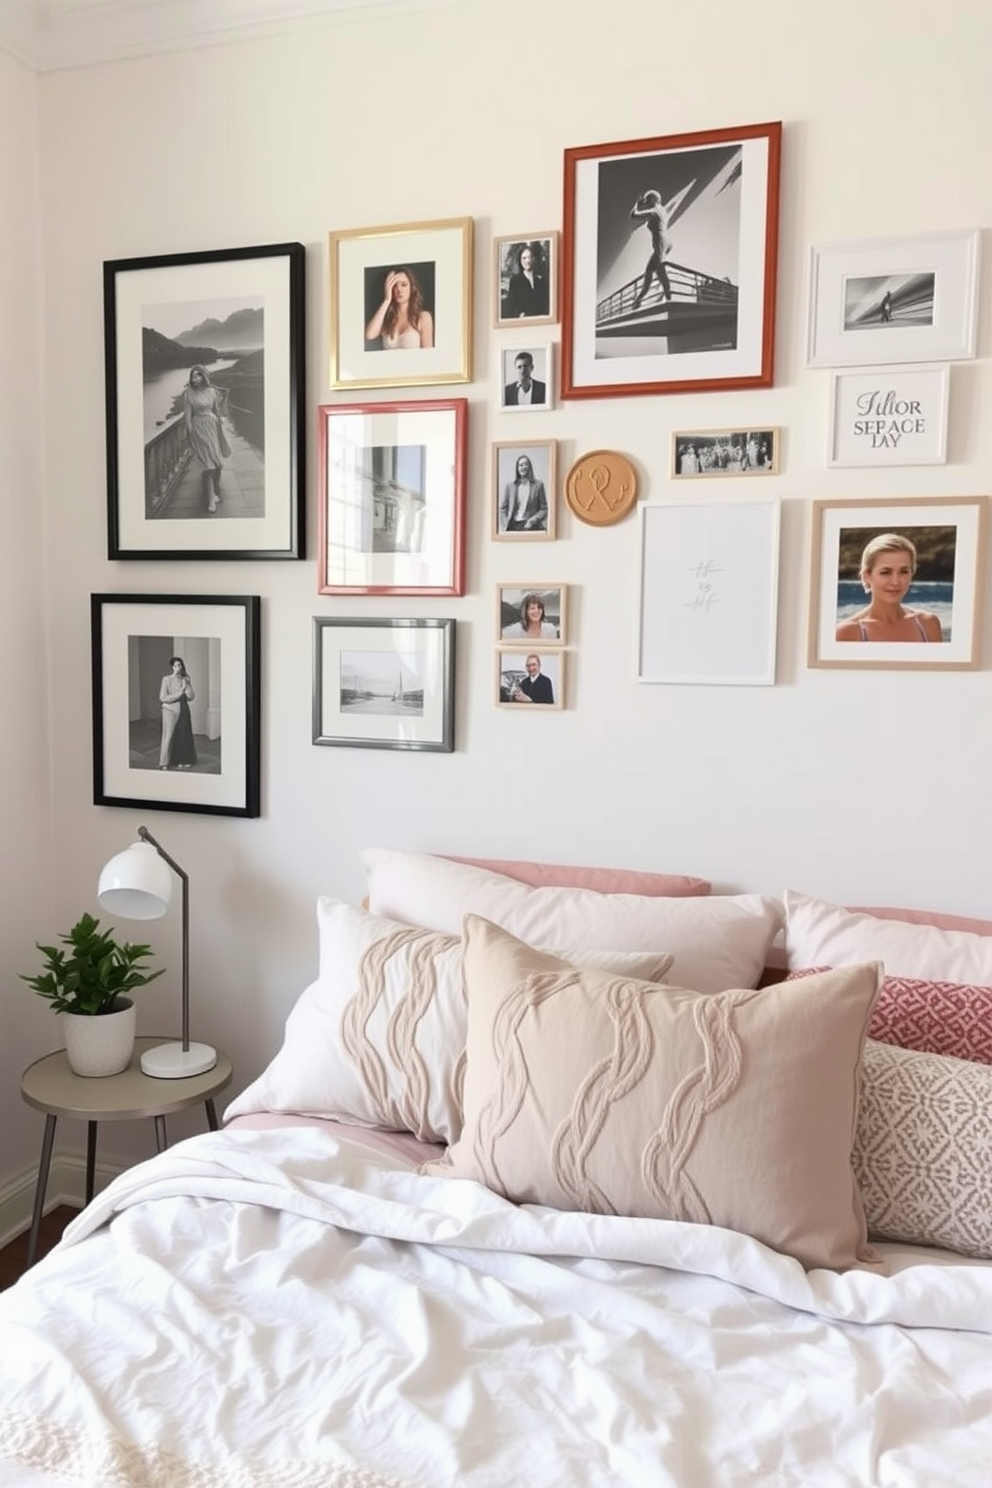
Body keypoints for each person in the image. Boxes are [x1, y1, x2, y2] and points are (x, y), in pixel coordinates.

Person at [835, 533, 943, 643]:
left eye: (904, 571)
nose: (895, 582)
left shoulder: (928, 624)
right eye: (885, 572)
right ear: (867, 576)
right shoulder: (847, 632)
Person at [183, 365, 230, 515]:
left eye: (198, 375)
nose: (194, 379)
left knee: (217, 464)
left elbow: (216, 410)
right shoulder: (188, 393)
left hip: (212, 427)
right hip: (198, 429)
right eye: (192, 376)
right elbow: (187, 417)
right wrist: (191, 434)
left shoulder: (211, 392)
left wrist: (220, 421)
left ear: (204, 376)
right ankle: (210, 499)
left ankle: (215, 491)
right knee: (207, 466)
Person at [365, 267, 434, 349]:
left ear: (412, 288)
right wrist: (386, 300)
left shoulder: (423, 317)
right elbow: (369, 335)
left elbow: (429, 356)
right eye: (394, 285)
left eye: (404, 284)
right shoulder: (387, 318)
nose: (399, 289)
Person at [630, 188, 674, 308]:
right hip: (666, 241)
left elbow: (633, 215)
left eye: (649, 199)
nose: (647, 202)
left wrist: (638, 204)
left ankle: (669, 300)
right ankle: (638, 300)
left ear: (654, 199)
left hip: (660, 241)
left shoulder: (654, 211)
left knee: (661, 271)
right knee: (649, 272)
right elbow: (667, 208)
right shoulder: (662, 210)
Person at [159, 657, 197, 769]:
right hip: (170, 710)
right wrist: (180, 692)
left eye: (180, 665)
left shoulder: (185, 679)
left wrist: (188, 685)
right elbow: (163, 698)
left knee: (183, 735)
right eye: (175, 666)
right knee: (168, 736)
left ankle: (182, 760)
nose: (178, 668)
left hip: (184, 709)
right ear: (172, 667)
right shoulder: (166, 679)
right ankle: (164, 763)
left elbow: (191, 697)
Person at [498, 454, 548, 533]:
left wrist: (533, 520)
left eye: (526, 464)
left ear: (529, 467)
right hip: (513, 526)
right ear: (517, 468)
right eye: (521, 465)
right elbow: (502, 509)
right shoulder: (509, 486)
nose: (523, 467)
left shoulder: (538, 485)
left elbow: (544, 509)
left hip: (530, 526)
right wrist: (505, 524)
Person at [502, 243, 549, 320]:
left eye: (529, 257)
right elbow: (511, 304)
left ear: (534, 259)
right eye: (524, 258)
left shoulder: (541, 279)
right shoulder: (515, 280)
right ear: (520, 260)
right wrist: (519, 314)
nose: (527, 261)